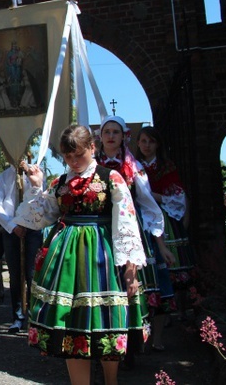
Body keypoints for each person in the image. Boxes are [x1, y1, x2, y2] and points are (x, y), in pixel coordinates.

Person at [14, 124, 147, 385]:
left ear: (92, 148)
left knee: (105, 321)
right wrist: (36, 187)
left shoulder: (111, 178)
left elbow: (126, 223)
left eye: (79, 155)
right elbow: (42, 218)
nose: (74, 162)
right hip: (67, 261)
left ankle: (111, 381)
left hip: (103, 257)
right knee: (72, 324)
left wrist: (130, 268)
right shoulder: (60, 183)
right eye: (68, 157)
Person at [96, 116, 175, 358]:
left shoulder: (133, 167)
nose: (111, 136)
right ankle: (109, 341)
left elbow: (149, 204)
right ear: (100, 137)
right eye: (106, 132)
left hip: (133, 229)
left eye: (115, 132)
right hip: (102, 231)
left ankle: (138, 341)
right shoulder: (93, 165)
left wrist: (160, 243)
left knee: (142, 286)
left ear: (123, 137)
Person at [135, 126, 196, 320]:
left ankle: (179, 310)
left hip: (164, 217)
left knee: (173, 266)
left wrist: (153, 196)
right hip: (141, 217)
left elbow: (178, 197)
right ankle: (155, 310)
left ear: (157, 144)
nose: (147, 145)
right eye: (143, 141)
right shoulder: (135, 166)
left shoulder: (166, 166)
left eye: (151, 141)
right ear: (138, 143)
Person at [0, 159, 42, 333]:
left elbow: (39, 199)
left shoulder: (34, 173)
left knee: (32, 274)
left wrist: (26, 222)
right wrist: (13, 226)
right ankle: (17, 316)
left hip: (32, 229)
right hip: (11, 230)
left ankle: (34, 317)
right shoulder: (3, 178)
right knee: (16, 274)